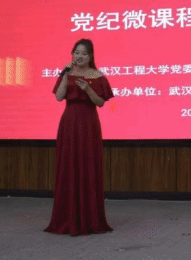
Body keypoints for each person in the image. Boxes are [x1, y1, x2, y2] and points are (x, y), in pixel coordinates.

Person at [45, 38, 114, 235]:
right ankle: (67, 218)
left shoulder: (98, 76)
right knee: (68, 165)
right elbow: (59, 97)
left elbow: (100, 102)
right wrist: (66, 75)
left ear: (91, 56)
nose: (80, 56)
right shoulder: (67, 72)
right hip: (69, 123)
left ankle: (89, 219)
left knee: (88, 165)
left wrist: (88, 89)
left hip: (88, 123)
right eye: (76, 52)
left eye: (84, 53)